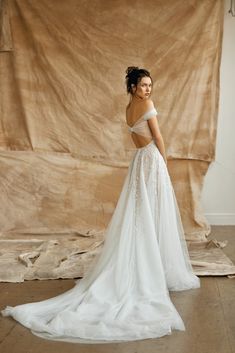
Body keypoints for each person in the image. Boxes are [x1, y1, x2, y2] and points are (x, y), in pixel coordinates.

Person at [1, 67, 200, 343]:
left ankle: (152, 262)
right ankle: (153, 266)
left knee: (142, 214)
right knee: (154, 212)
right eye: (143, 85)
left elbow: (138, 136)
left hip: (138, 161)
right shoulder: (146, 105)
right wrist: (164, 163)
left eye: (150, 86)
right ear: (133, 87)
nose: (148, 89)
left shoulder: (129, 108)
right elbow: (158, 137)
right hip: (151, 159)